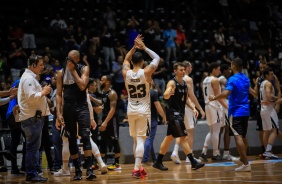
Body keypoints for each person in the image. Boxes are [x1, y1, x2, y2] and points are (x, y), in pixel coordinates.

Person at [153, 62, 205, 171]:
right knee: (183, 137)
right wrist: (168, 93)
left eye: (184, 70)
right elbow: (166, 94)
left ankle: (158, 161)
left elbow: (186, 99)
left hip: (180, 114)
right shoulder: (172, 82)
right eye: (180, 70)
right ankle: (193, 162)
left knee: (169, 138)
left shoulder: (185, 84)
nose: (183, 72)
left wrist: (193, 108)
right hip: (174, 114)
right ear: (175, 71)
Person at [122, 34, 160, 178]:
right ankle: (137, 168)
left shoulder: (126, 73)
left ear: (132, 62)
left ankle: (139, 166)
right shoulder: (146, 72)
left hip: (131, 110)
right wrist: (144, 47)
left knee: (136, 140)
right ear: (143, 62)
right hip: (144, 111)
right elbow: (157, 58)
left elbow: (125, 58)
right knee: (141, 140)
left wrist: (134, 47)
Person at [56, 50, 96, 180]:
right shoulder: (61, 73)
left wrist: (73, 71)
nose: (68, 62)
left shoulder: (84, 69)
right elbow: (58, 94)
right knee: (71, 138)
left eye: (72, 60)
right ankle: (78, 170)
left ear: (77, 60)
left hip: (81, 105)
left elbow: (83, 86)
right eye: (68, 59)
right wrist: (58, 113)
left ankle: (89, 169)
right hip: (68, 107)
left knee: (85, 136)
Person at [209, 58, 251, 172]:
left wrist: (214, 97)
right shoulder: (246, 78)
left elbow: (227, 93)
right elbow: (252, 92)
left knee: (237, 136)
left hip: (235, 111)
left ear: (233, 66)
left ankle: (246, 163)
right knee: (242, 136)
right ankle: (243, 159)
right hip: (246, 111)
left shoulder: (232, 79)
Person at [18, 54, 52, 182]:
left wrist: (42, 91)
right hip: (32, 118)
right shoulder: (28, 79)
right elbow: (31, 97)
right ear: (33, 65)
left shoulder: (29, 78)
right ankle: (31, 174)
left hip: (32, 118)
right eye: (40, 65)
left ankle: (33, 172)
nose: (43, 67)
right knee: (32, 147)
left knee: (32, 147)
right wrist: (44, 92)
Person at [170, 61, 205, 164]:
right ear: (187, 68)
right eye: (190, 67)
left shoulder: (176, 80)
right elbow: (191, 96)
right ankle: (189, 157)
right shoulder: (188, 79)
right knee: (190, 132)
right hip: (188, 108)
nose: (191, 68)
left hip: (178, 107)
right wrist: (200, 109)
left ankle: (175, 152)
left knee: (181, 132)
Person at [199, 62, 228, 162]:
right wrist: (227, 106)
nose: (219, 71)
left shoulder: (205, 80)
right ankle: (216, 153)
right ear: (213, 69)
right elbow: (218, 97)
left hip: (208, 105)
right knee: (216, 131)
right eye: (218, 69)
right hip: (214, 106)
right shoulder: (215, 80)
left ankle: (203, 152)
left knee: (212, 131)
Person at [99, 75, 121, 170]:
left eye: (102, 80)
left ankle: (117, 165)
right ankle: (103, 163)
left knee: (114, 141)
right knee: (103, 140)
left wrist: (105, 122)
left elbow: (112, 110)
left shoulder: (112, 93)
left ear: (107, 82)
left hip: (112, 120)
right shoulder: (104, 92)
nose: (100, 81)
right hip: (105, 119)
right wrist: (91, 99)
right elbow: (102, 103)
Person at [259, 67, 282, 159]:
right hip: (269, 110)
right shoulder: (268, 83)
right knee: (275, 130)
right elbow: (269, 96)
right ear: (266, 75)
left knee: (266, 131)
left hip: (263, 109)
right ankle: (268, 151)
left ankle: (266, 152)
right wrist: (278, 99)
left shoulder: (262, 83)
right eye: (271, 74)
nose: (273, 76)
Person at [218, 64, 239, 161]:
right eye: (228, 70)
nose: (230, 71)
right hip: (224, 104)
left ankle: (217, 152)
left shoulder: (221, 79)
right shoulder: (222, 79)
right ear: (224, 70)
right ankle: (225, 153)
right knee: (226, 129)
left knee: (221, 130)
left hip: (221, 104)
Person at [142, 81, 166, 165]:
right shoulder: (153, 93)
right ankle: (145, 159)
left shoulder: (141, 92)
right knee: (149, 139)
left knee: (148, 139)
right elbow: (158, 106)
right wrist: (163, 116)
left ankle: (154, 158)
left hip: (142, 117)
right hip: (151, 118)